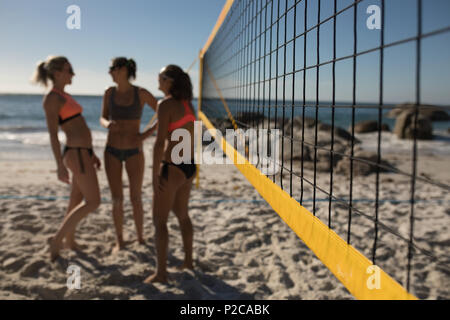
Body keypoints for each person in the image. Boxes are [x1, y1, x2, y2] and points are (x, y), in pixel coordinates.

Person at [32, 56, 101, 261]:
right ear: (57, 73)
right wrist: (59, 166)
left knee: (76, 199)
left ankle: (70, 241)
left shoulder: (64, 95)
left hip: (84, 152)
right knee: (94, 201)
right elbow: (53, 135)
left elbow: (79, 126)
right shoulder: (52, 98)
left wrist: (92, 153)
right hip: (76, 154)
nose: (73, 74)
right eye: (69, 70)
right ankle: (57, 239)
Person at [144, 65, 196, 283]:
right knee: (182, 215)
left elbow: (158, 145)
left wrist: (155, 174)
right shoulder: (188, 105)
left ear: (169, 81)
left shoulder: (164, 104)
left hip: (172, 167)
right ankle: (188, 261)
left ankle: (161, 273)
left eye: (160, 76)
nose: (157, 78)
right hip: (189, 166)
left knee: (159, 221)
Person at [100, 57, 157, 253]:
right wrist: (107, 124)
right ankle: (120, 241)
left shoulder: (140, 93)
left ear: (123, 69)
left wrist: (146, 134)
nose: (110, 72)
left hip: (134, 151)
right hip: (111, 151)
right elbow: (102, 117)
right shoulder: (109, 92)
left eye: (112, 69)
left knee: (135, 197)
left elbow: (162, 112)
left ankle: (140, 238)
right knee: (117, 198)